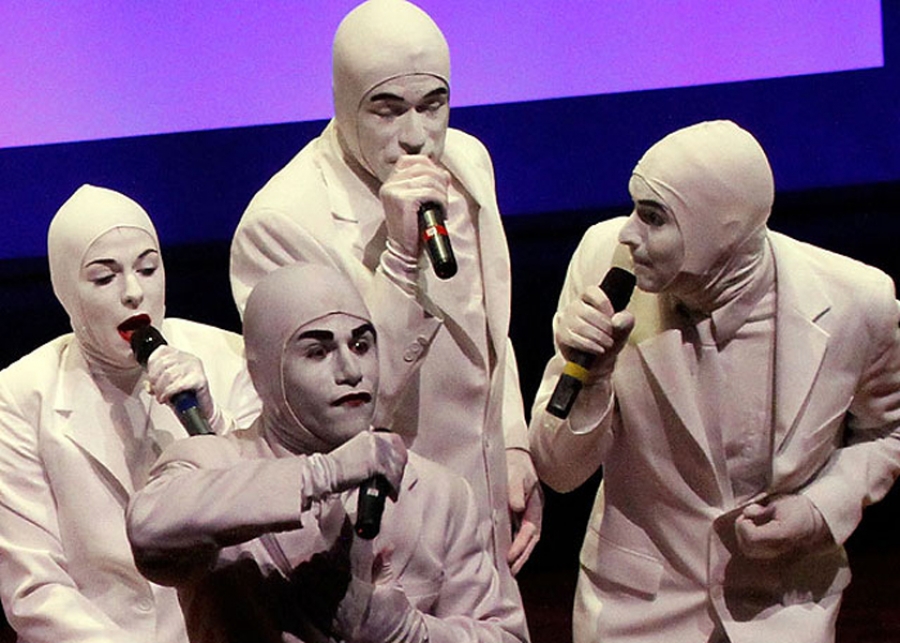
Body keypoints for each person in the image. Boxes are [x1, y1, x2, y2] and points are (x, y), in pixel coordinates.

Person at [528, 120, 900, 643]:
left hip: (784, 608)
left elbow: (889, 431)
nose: (629, 234)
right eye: (634, 208)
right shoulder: (603, 259)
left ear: (720, 229)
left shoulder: (856, 301)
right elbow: (557, 470)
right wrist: (592, 379)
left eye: (653, 216)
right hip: (634, 610)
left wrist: (819, 510)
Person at [229, 0, 540, 594]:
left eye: (433, 104)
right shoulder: (282, 222)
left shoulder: (468, 161)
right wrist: (399, 257)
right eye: (388, 110)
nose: (417, 137)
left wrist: (512, 444)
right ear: (345, 104)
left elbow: (485, 331)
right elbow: (337, 406)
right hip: (385, 535)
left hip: (485, 520)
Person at [126, 262, 531, 643]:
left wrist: (411, 632)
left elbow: (505, 636)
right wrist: (321, 475)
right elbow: (149, 528)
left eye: (361, 345)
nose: (351, 371)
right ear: (261, 373)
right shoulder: (212, 463)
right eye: (318, 352)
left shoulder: (440, 493)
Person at [0, 185, 261, 642]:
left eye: (148, 268)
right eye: (104, 278)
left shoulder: (227, 357)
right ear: (66, 291)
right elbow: (35, 589)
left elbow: (275, 527)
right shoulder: (20, 395)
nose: (134, 293)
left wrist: (214, 424)